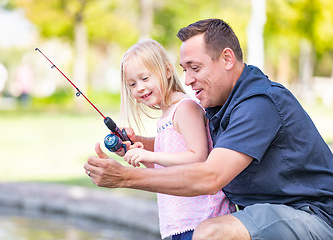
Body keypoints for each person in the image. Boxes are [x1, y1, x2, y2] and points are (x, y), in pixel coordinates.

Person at [84, 19, 333, 240]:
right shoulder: (220, 102)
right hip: (270, 214)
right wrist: (141, 143)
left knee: (211, 233)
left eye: (195, 67)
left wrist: (125, 177)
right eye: (185, 69)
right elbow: (185, 143)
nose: (188, 79)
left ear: (226, 58)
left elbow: (210, 177)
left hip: (312, 215)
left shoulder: (259, 104)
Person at [116, 39, 235, 239]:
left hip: (202, 222)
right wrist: (139, 154)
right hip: (179, 224)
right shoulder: (166, 116)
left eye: (145, 78)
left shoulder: (185, 108)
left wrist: (150, 155)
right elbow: (166, 171)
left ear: (168, 71)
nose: (140, 88)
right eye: (132, 84)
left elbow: (197, 158)